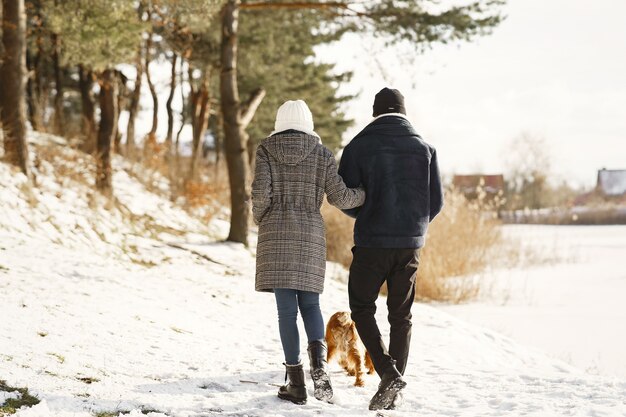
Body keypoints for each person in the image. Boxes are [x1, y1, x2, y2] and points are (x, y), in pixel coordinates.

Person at [252, 100, 365, 405]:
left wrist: (261, 218)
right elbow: (341, 197)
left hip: (276, 233)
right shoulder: (322, 154)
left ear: (279, 123)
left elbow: (260, 194)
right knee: (311, 306)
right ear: (309, 122)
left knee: (286, 311)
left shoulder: (265, 150)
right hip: (310, 233)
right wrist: (367, 193)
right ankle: (320, 368)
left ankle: (296, 382)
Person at [338, 88, 444, 410]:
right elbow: (436, 202)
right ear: (403, 112)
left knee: (361, 306)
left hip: (372, 242)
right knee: (401, 315)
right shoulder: (425, 148)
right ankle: (393, 385)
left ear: (375, 113)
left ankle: (388, 373)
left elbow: (347, 195)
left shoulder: (358, 146)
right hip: (409, 245)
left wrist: (366, 214)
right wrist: (414, 226)